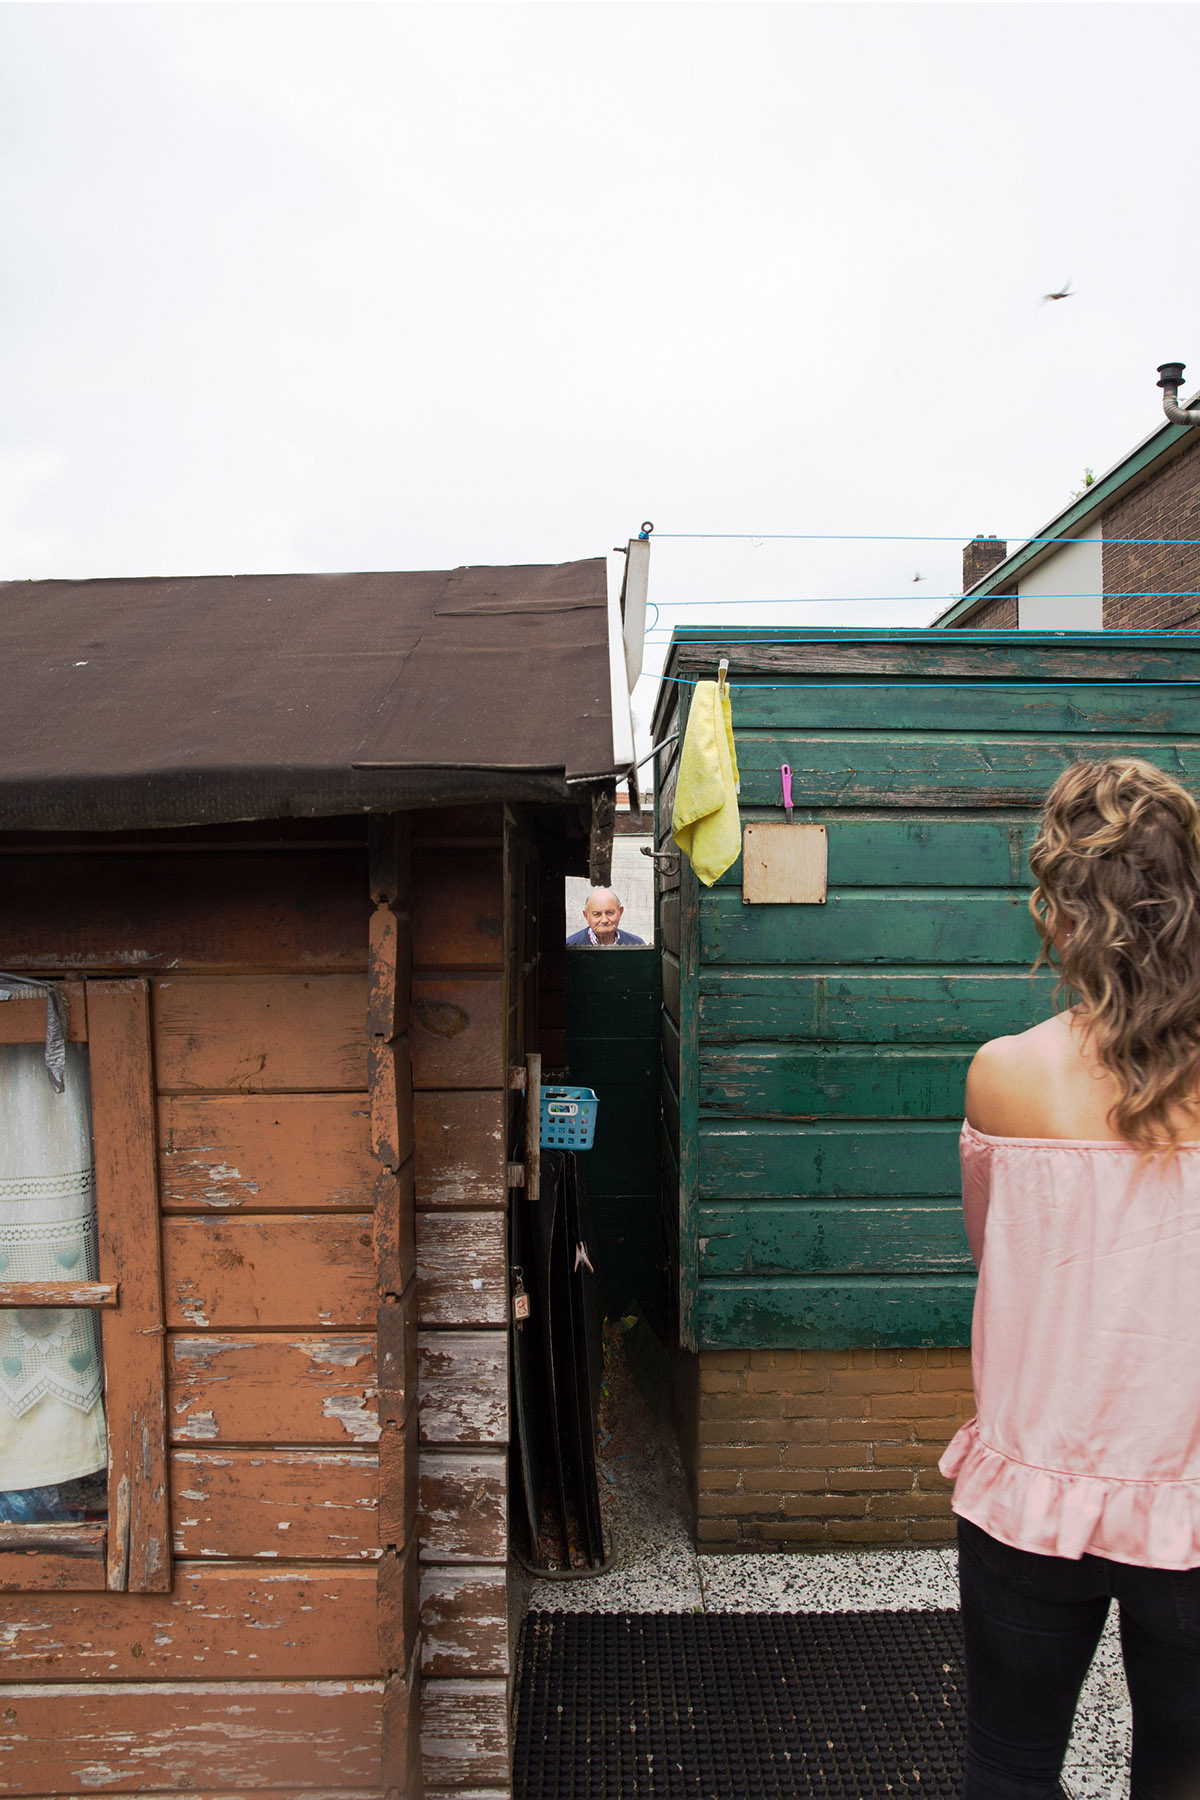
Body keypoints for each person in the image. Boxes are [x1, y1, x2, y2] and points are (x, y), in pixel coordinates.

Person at [940, 758, 1200, 1800]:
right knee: (1183, 1770)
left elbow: (994, 1246)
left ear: (1060, 908)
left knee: (1008, 1764)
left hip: (1036, 1484)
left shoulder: (1005, 1072)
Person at [566, 887, 644, 947]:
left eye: (610, 913)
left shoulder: (636, 944)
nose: (604, 920)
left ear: (620, 912)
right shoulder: (570, 946)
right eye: (597, 914)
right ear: (586, 916)